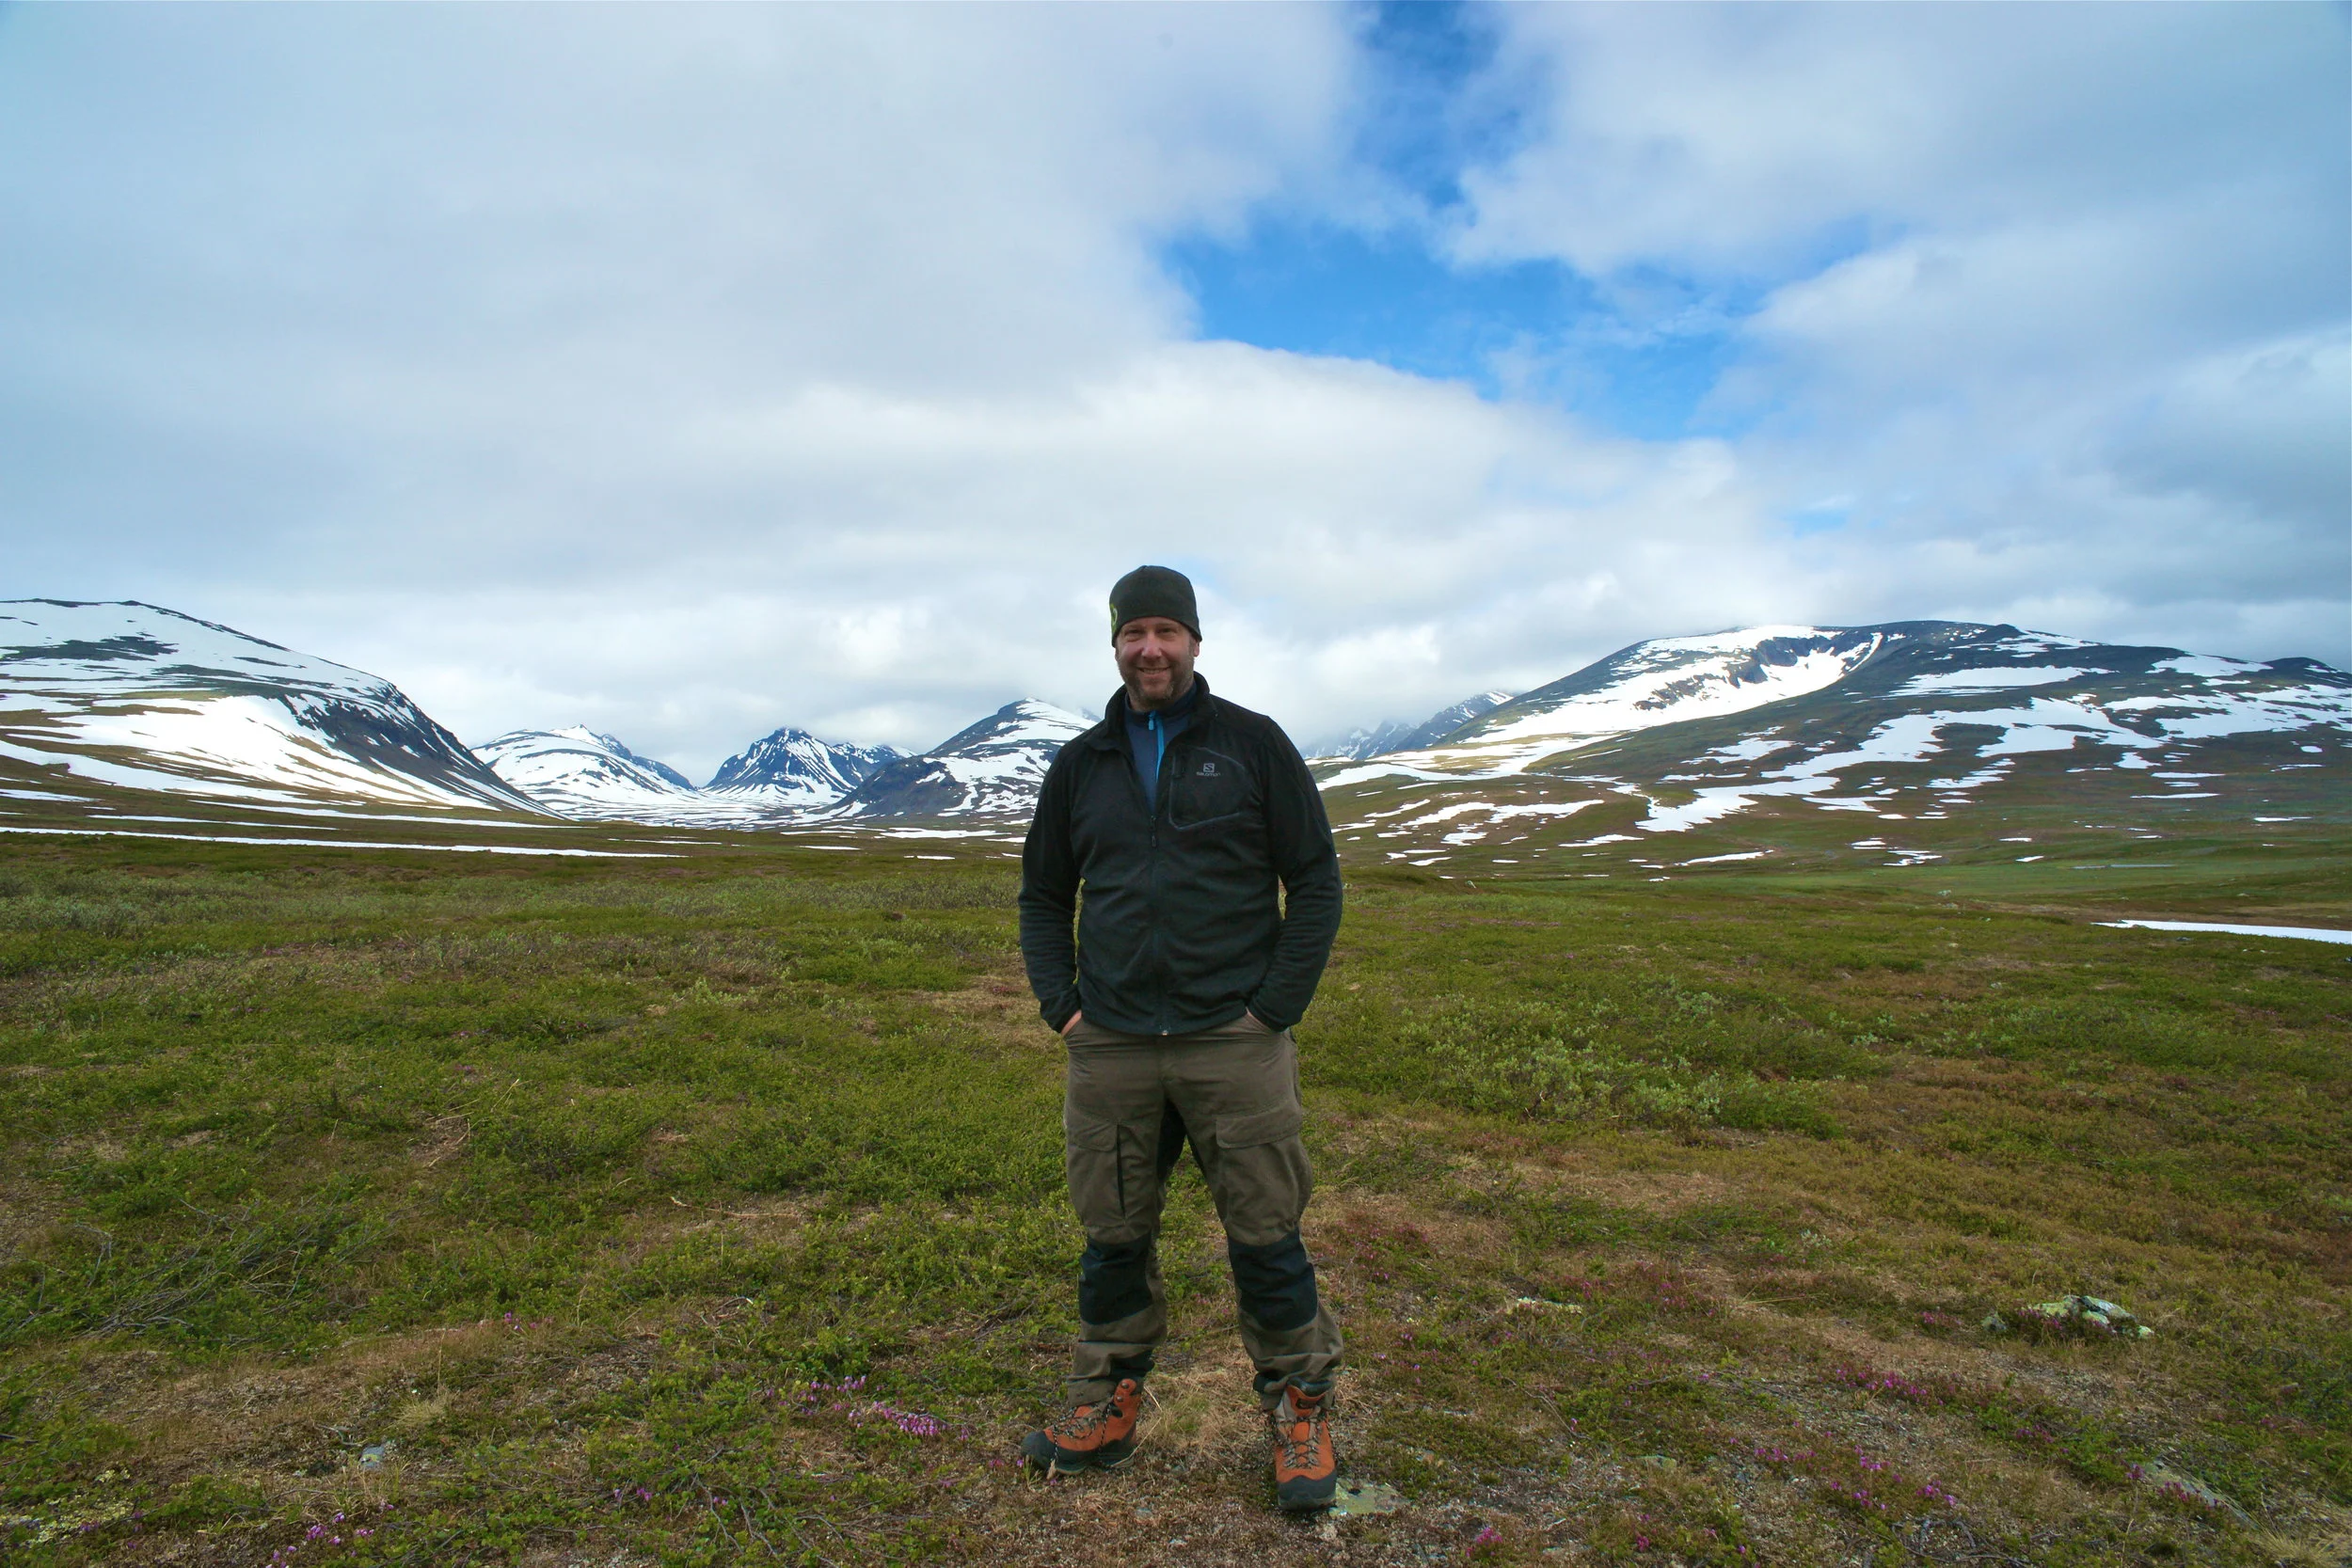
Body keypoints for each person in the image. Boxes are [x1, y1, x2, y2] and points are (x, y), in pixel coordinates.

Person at [1016, 563, 1346, 1512]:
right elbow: (1044, 893)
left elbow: (1314, 878)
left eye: (1167, 629)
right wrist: (1064, 1007)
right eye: (1134, 632)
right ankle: (1105, 1404)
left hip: (1230, 1038)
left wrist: (1272, 1006)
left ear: (1196, 641)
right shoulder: (1082, 762)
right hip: (1112, 1040)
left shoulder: (1252, 744)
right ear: (1114, 644)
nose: (1149, 647)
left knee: (1265, 1233)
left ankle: (1300, 1413)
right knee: (1112, 1232)